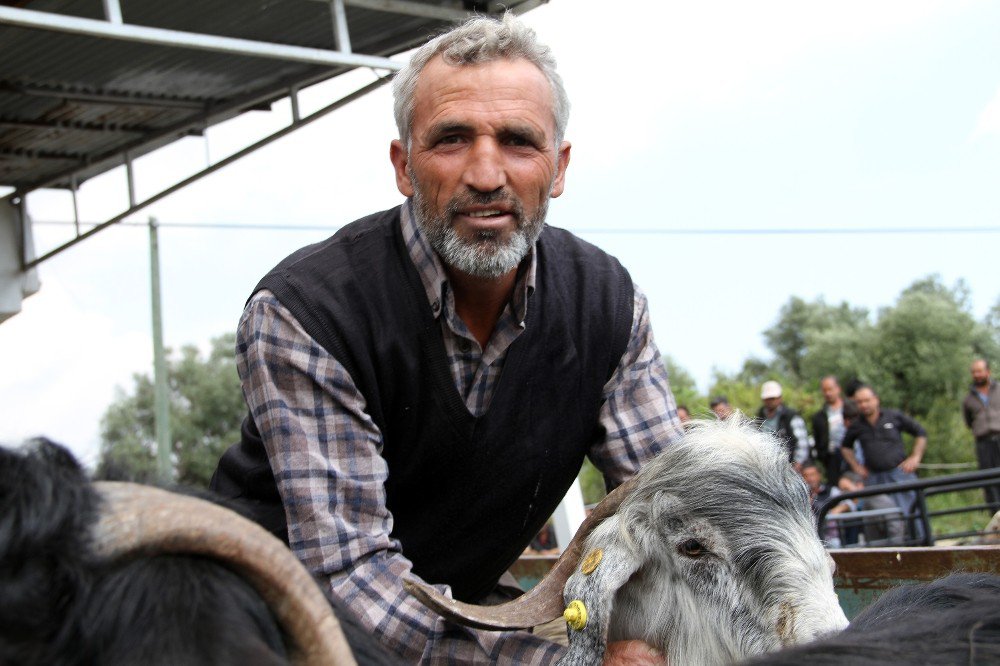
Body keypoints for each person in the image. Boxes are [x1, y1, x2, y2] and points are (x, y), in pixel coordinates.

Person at [209, 14, 680, 664]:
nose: (486, 175)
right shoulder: (308, 312)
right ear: (404, 165)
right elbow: (350, 582)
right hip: (270, 630)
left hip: (459, 609)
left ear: (559, 166)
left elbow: (675, 519)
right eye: (452, 140)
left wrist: (655, 638)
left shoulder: (608, 303)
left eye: (518, 141)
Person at [840, 384, 928, 542]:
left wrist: (915, 457)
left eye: (867, 400)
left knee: (912, 516)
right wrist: (856, 467)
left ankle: (922, 547)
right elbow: (845, 447)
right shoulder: (857, 425)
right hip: (875, 479)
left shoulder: (893, 416)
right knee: (880, 520)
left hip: (900, 474)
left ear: (876, 400)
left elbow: (920, 432)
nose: (864, 405)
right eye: (859, 402)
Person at [962, 359, 1000, 513]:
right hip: (983, 443)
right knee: (989, 481)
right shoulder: (968, 399)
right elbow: (968, 421)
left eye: (979, 371)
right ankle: (996, 518)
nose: (976, 375)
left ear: (988, 372)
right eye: (974, 372)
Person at [838, 471, 907, 545]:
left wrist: (895, 552)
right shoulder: (855, 507)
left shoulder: (877, 500)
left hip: (884, 551)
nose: (844, 494)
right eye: (841, 491)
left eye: (846, 489)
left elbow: (895, 529)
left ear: (859, 485)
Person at [757, 380, 810, 470]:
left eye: (772, 398)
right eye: (767, 398)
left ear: (779, 398)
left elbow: (802, 443)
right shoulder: (760, 417)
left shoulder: (790, 416)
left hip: (789, 465)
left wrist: (796, 465)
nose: (770, 401)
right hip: (767, 467)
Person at [801, 462, 850, 546]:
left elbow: (850, 503)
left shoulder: (831, 490)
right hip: (809, 540)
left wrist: (838, 509)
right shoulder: (800, 495)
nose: (810, 479)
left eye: (812, 474)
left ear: (819, 475)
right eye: (806, 476)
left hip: (831, 538)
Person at [812, 376, 848, 487]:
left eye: (830, 389)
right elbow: (818, 441)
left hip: (853, 457)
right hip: (831, 460)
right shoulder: (819, 416)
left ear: (838, 389)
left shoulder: (851, 409)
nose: (828, 393)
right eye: (824, 390)